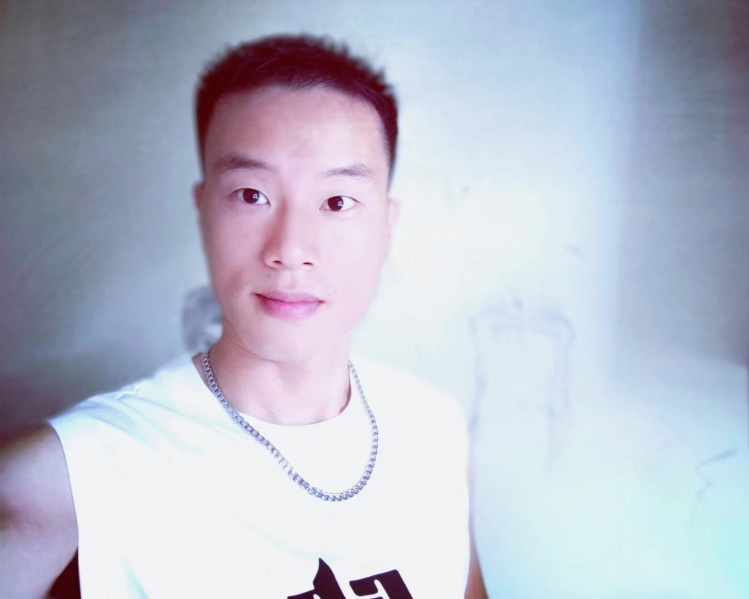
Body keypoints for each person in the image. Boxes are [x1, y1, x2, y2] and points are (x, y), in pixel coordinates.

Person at [0, 34, 488, 598]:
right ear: (204, 210)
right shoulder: (65, 475)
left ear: (386, 224)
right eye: (252, 194)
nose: (291, 249)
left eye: (337, 202)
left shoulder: (433, 430)